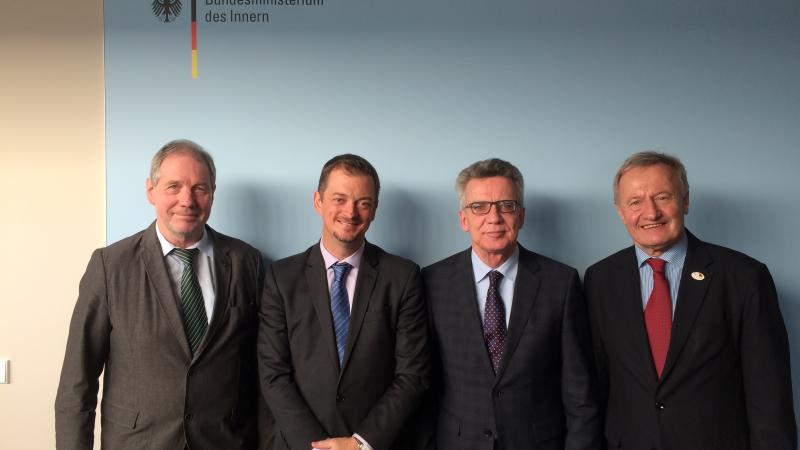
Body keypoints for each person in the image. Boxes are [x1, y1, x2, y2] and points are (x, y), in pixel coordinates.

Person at [55, 139, 267, 449]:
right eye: (174, 186)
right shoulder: (110, 266)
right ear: (151, 191)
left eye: (200, 188)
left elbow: (263, 370)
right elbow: (78, 381)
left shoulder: (246, 261)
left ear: (212, 195)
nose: (187, 200)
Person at [584, 151, 797, 449]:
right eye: (635, 202)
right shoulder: (599, 280)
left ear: (685, 201)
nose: (651, 212)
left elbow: (769, 396)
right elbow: (594, 386)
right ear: (620, 211)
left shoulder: (743, 277)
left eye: (663, 197)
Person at [421, 158, 600, 450]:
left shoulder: (561, 282)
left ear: (521, 216)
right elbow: (423, 386)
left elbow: (580, 393)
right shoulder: (432, 282)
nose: (494, 218)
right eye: (479, 207)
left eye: (506, 205)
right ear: (463, 219)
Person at [258, 154, 429, 450]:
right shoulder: (281, 278)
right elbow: (273, 374)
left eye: (363, 202)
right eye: (339, 199)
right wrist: (317, 446)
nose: (350, 212)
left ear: (375, 209)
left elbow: (412, 374)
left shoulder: (402, 276)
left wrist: (360, 443)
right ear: (318, 201)